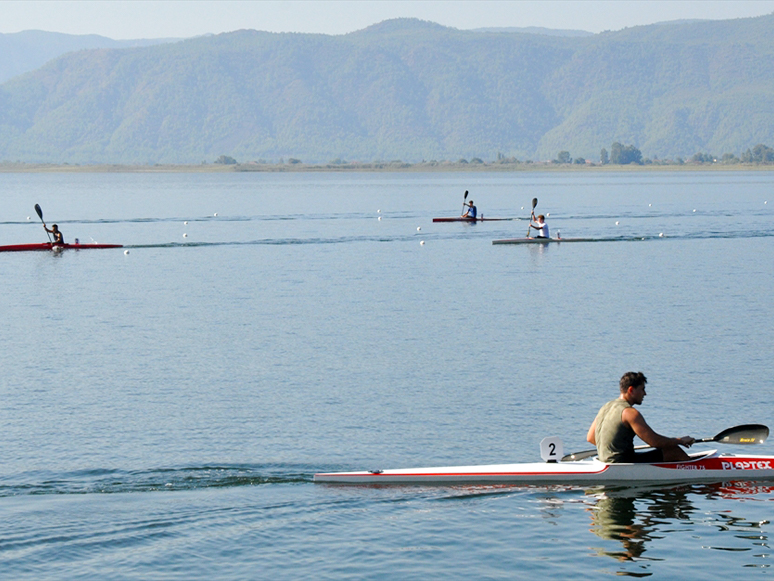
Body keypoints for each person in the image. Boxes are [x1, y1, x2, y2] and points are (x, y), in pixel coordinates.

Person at [586, 372, 694, 463]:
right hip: (622, 463)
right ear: (631, 390)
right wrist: (680, 440)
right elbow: (654, 442)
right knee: (673, 451)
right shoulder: (630, 413)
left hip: (605, 461)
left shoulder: (605, 407)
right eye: (642, 389)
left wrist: (612, 448)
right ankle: (694, 473)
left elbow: (590, 438)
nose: (645, 393)